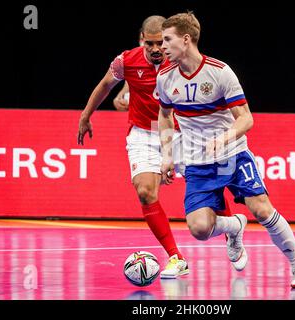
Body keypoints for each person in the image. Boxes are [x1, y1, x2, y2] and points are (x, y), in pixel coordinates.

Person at [157, 12, 295, 287]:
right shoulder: (166, 77)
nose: (162, 47)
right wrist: (168, 155)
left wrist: (224, 138)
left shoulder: (220, 72)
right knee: (199, 229)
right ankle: (234, 225)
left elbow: (246, 119)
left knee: (263, 210)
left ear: (186, 39)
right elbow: (164, 115)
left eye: (167, 40)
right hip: (197, 162)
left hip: (232, 155)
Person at [77, 15, 189, 278]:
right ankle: (176, 257)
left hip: (179, 132)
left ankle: (232, 229)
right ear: (142, 39)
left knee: (208, 197)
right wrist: (85, 115)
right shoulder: (126, 61)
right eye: (149, 43)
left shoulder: (181, 60)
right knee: (145, 191)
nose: (154, 49)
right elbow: (105, 85)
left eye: (160, 43)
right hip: (142, 132)